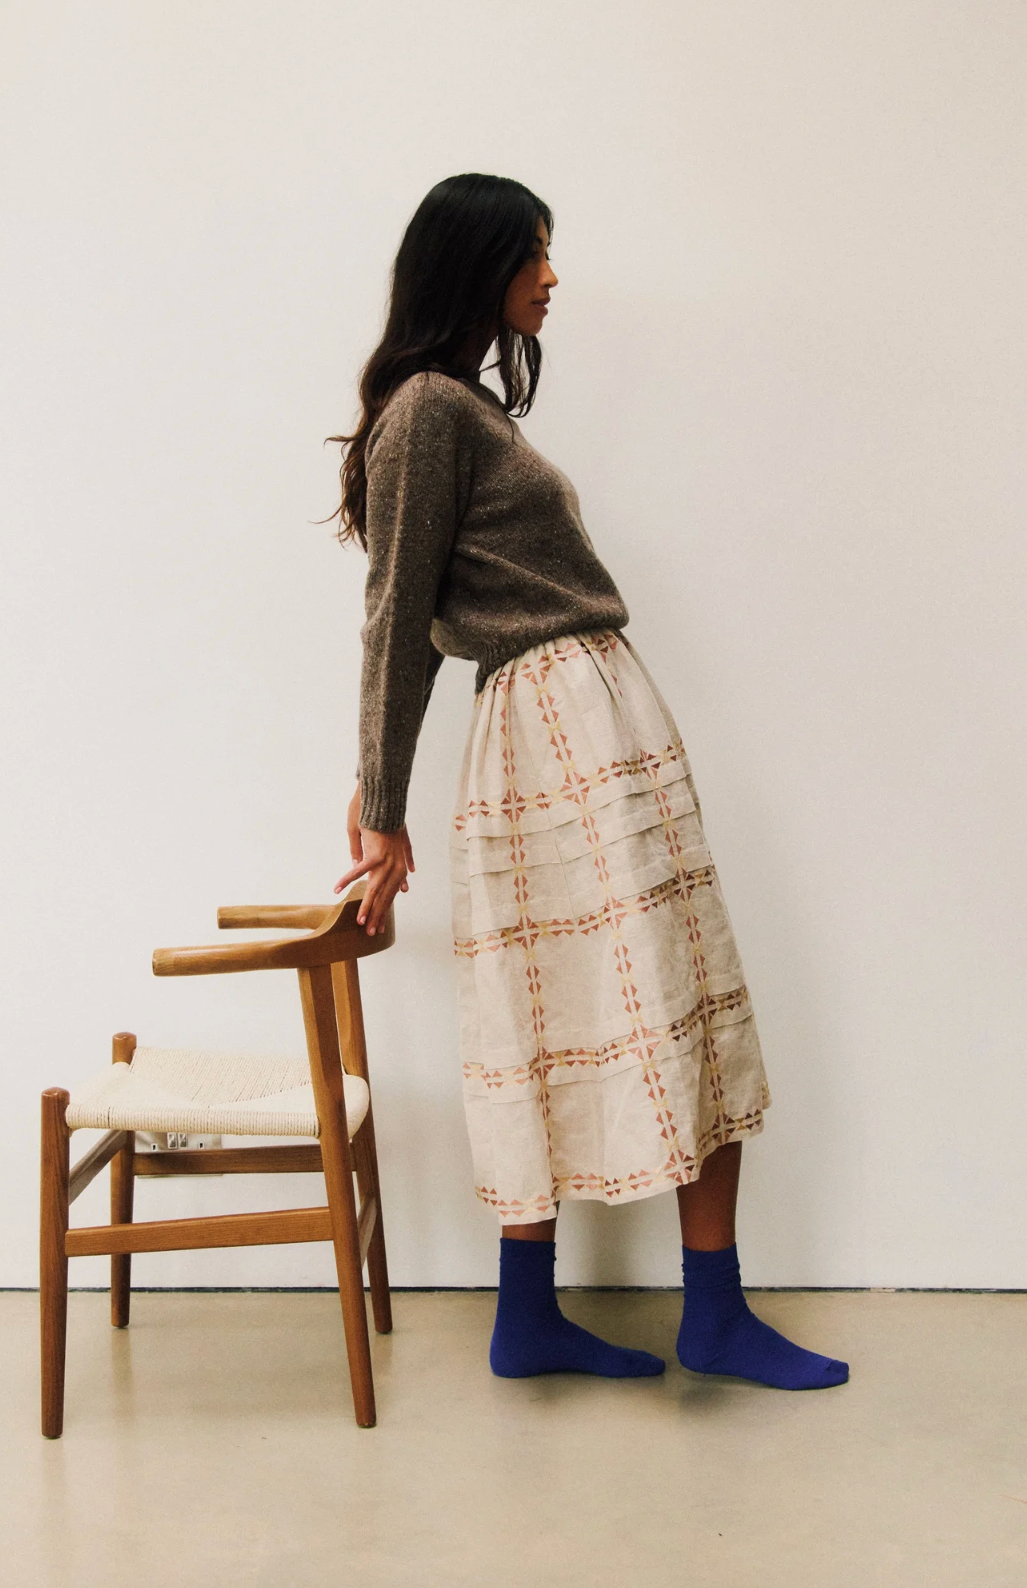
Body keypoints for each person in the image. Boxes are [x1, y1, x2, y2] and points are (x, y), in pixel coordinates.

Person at [331, 173, 846, 1390]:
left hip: (566, 716)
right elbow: (394, 620)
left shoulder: (460, 408)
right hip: (555, 722)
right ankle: (673, 1315)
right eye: (535, 254)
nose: (552, 277)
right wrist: (380, 806)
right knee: (634, 996)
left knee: (598, 1000)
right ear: (479, 264)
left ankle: (562, 1316)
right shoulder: (429, 414)